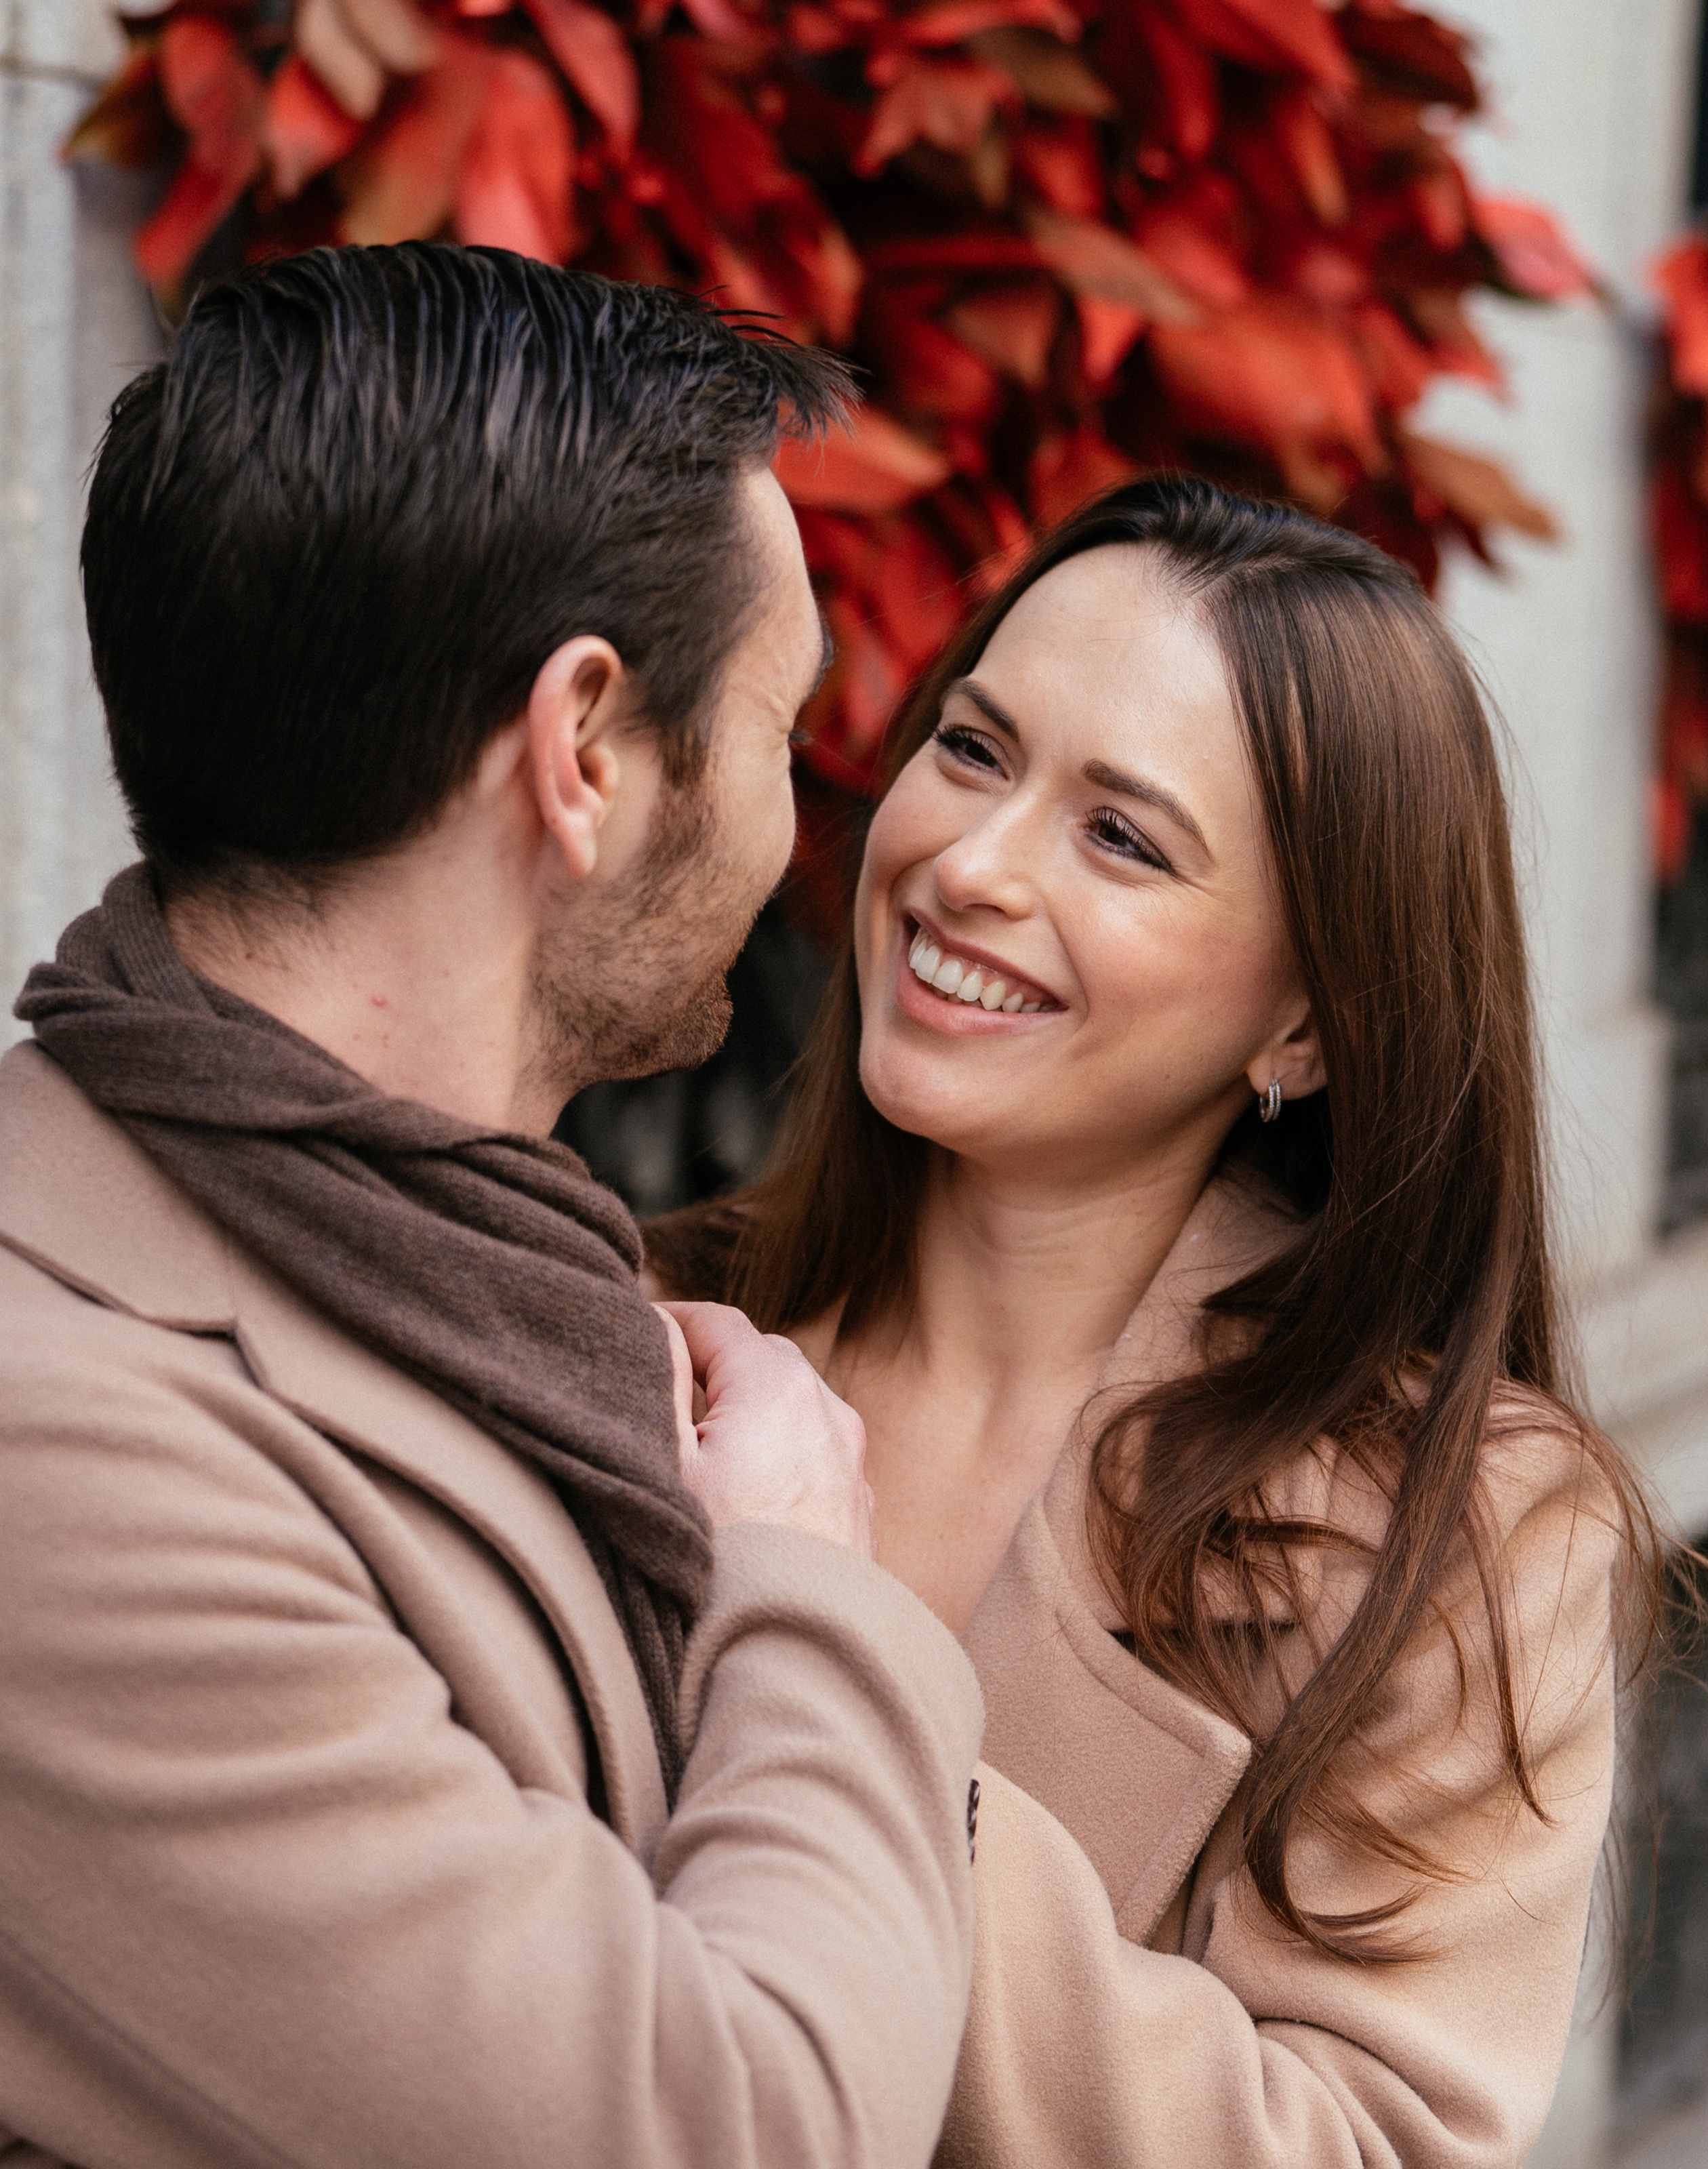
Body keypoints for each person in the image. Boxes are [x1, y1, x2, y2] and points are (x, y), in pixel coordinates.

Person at [0, 243, 985, 2169]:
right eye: (780, 734)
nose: (808, 833)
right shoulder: (61, 1448)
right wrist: (807, 1593)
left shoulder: (465, 1273)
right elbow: (731, 2133)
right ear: (587, 752)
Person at [649, 475, 1659, 2169]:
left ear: (1307, 1027)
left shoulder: (1454, 1528)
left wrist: (831, 1683)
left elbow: (1358, 2146)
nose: (965, 864)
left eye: (1120, 836)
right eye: (971, 749)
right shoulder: (651, 1321)